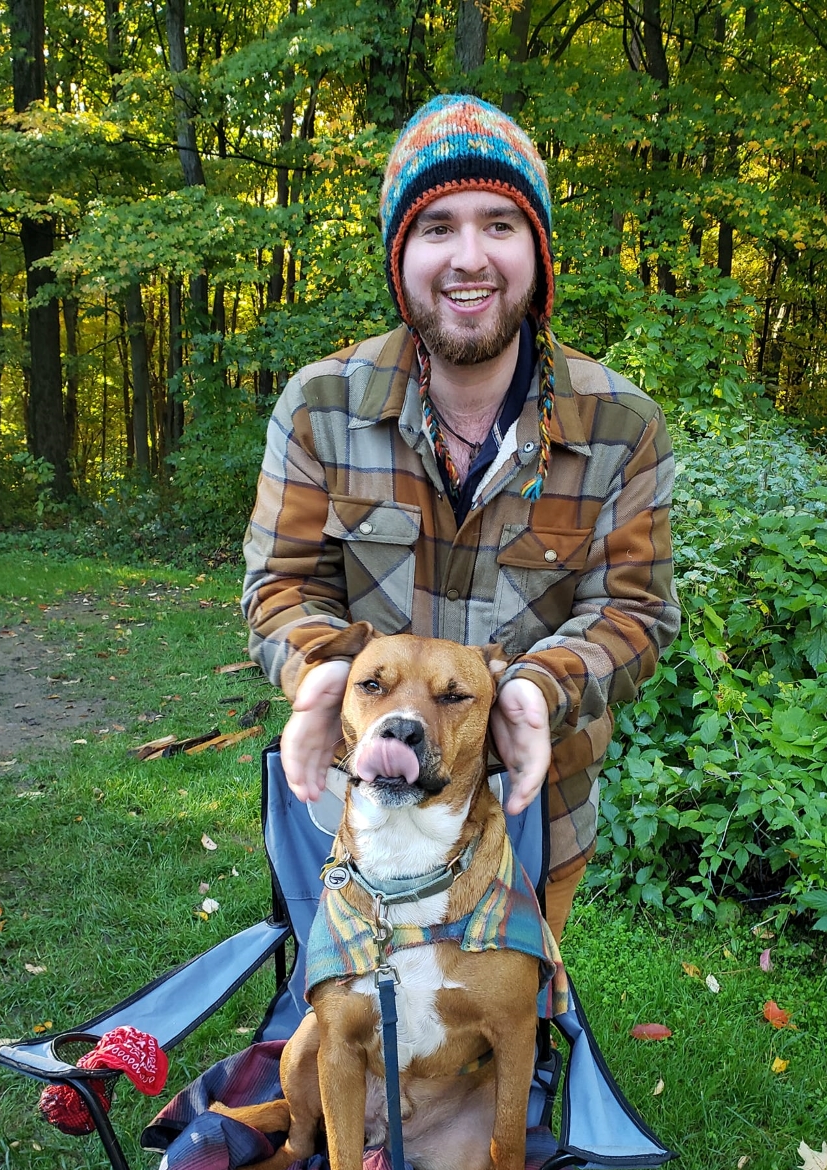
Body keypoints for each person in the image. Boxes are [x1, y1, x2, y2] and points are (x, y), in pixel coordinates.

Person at [242, 94, 679, 941]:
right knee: (353, 1037)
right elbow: (278, 586)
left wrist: (538, 688)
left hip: (532, 809)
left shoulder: (623, 425)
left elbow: (637, 610)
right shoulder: (320, 406)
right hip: (358, 805)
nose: (469, 258)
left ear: (538, 252)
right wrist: (324, 674)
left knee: (504, 1040)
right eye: (437, 227)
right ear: (401, 257)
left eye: (500, 225)